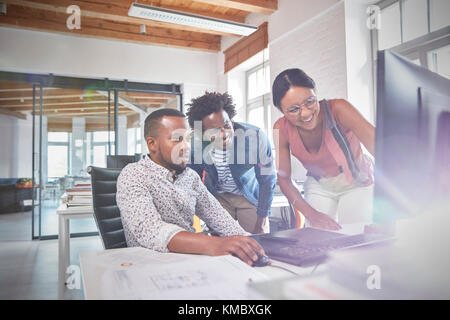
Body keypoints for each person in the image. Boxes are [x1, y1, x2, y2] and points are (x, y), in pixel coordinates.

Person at [116, 108, 264, 266]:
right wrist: (214, 244)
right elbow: (149, 230)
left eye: (188, 139)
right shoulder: (133, 174)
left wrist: (250, 242)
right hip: (148, 266)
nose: (186, 146)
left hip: (190, 262)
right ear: (152, 144)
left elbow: (218, 216)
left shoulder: (190, 176)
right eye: (177, 139)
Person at [272, 68, 375, 230]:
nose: (305, 113)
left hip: (356, 182)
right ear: (281, 111)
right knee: (315, 235)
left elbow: (380, 146)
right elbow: (283, 179)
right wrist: (312, 215)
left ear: (316, 93)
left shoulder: (339, 109)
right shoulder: (280, 129)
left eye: (310, 101)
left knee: (355, 234)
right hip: (320, 184)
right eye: (294, 109)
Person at [186, 92, 276, 234]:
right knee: (222, 245)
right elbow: (191, 178)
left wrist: (262, 221)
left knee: (257, 243)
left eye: (227, 125)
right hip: (218, 198)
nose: (223, 134)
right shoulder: (197, 143)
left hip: (248, 198)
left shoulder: (255, 137)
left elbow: (267, 179)